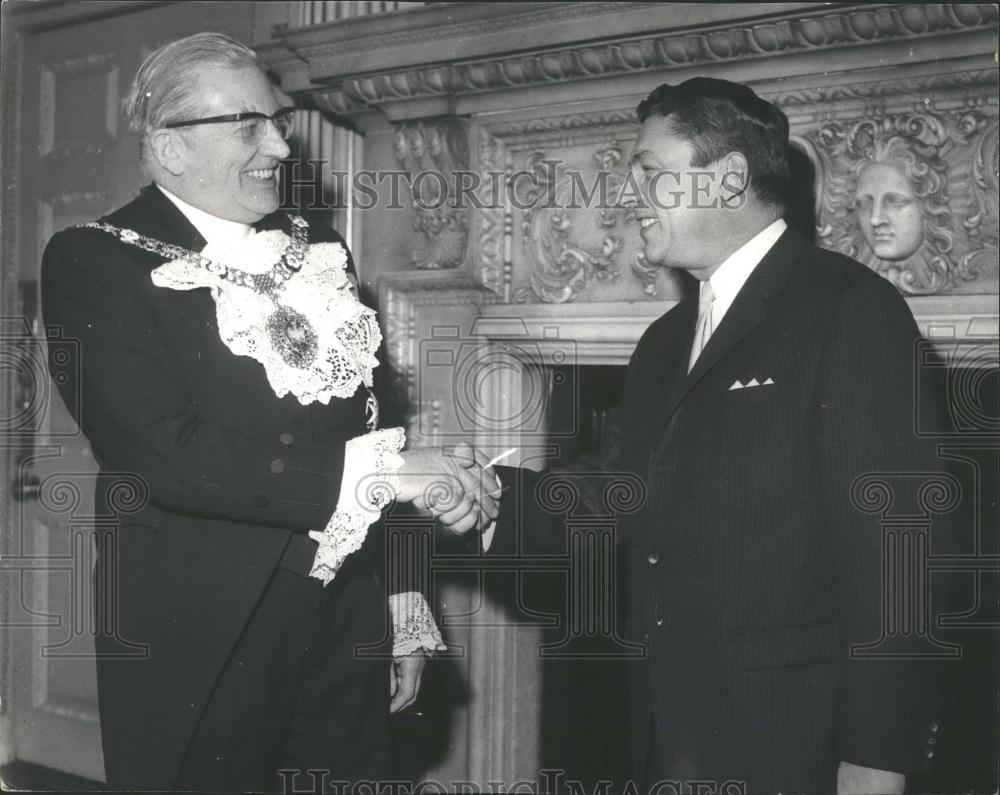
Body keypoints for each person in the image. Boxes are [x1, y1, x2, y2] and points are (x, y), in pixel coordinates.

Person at [41, 32, 496, 793]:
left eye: (277, 121)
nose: (281, 145)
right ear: (169, 146)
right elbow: (160, 450)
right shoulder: (94, 260)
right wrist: (387, 472)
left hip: (344, 614)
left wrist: (402, 594)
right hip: (201, 631)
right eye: (251, 124)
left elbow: (374, 418)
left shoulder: (317, 246)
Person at [476, 78, 947, 794]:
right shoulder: (665, 341)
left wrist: (877, 758)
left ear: (728, 181)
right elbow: (613, 496)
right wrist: (477, 496)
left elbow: (897, 559)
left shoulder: (852, 310)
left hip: (795, 749)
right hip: (670, 740)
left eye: (651, 173)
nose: (629, 194)